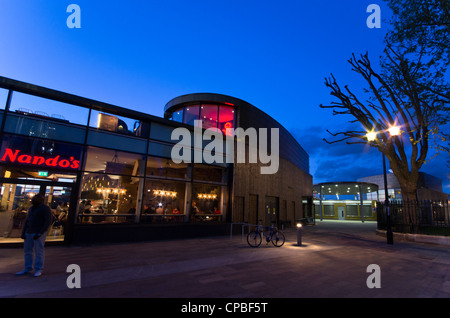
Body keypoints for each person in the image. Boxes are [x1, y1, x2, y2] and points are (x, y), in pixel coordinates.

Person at [16, 194, 52, 277]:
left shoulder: (45, 208)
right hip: (29, 231)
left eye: (35, 199)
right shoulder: (31, 208)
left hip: (38, 232)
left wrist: (40, 232)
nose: (33, 200)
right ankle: (28, 267)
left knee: (38, 251)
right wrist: (24, 232)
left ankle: (38, 269)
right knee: (27, 251)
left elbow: (47, 221)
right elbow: (27, 220)